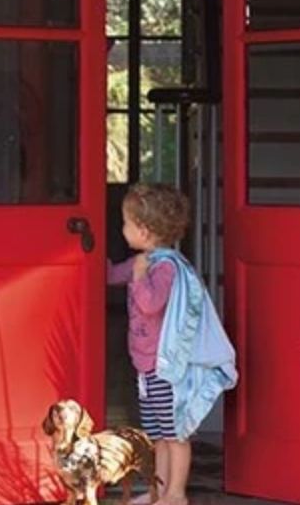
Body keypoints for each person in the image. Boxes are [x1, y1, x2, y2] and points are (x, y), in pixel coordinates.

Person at [108, 183, 237, 505]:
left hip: (167, 369)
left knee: (176, 434)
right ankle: (158, 492)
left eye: (125, 223)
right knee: (158, 435)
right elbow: (111, 275)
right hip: (146, 368)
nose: (122, 229)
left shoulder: (166, 267)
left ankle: (176, 494)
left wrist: (138, 277)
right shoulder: (145, 260)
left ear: (145, 230)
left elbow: (152, 303)